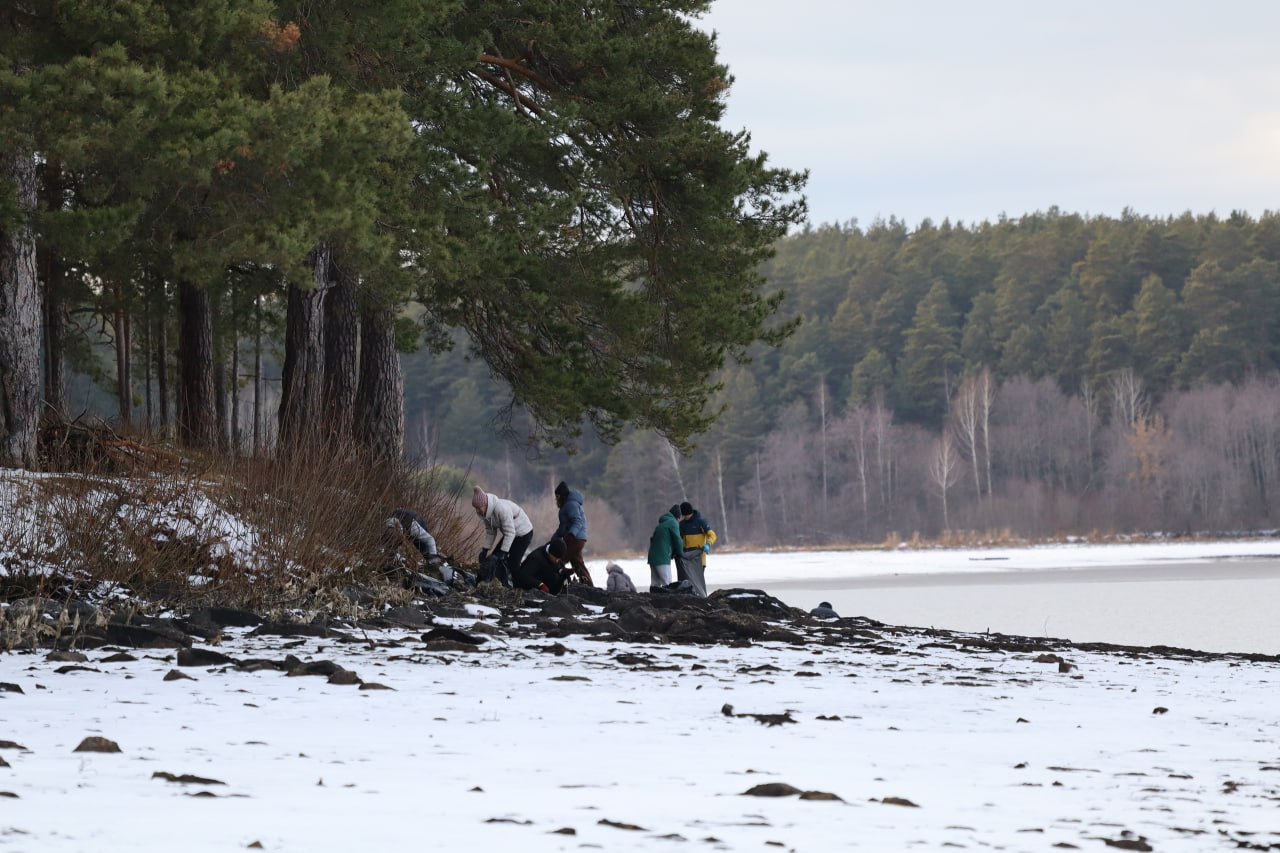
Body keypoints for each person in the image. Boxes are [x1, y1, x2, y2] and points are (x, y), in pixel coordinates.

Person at [472, 485, 533, 588]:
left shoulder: (501, 509)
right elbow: (491, 532)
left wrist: (503, 552)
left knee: (513, 563)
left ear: (485, 504)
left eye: (478, 508)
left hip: (524, 533)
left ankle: (519, 587)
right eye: (476, 508)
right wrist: (485, 550)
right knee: (494, 558)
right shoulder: (485, 514)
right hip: (511, 533)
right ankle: (495, 584)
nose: (477, 511)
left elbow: (510, 532)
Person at [383, 508, 454, 583]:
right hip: (399, 524)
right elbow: (390, 548)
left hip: (414, 520)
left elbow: (430, 540)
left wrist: (433, 559)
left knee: (428, 553)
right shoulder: (385, 531)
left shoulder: (413, 528)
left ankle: (443, 566)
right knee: (391, 552)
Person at [553, 481, 593, 586]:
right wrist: (554, 539)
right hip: (575, 538)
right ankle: (589, 586)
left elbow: (577, 521)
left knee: (560, 560)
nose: (556, 499)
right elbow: (562, 527)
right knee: (578, 564)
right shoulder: (566, 506)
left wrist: (571, 535)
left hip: (576, 538)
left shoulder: (571, 505)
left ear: (562, 496)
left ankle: (557, 584)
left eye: (557, 496)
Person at [676, 500, 716, 598]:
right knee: (687, 584)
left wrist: (708, 544)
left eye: (685, 515)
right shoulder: (682, 524)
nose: (683, 517)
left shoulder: (700, 522)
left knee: (697, 583)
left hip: (699, 559)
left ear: (689, 513)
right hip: (686, 559)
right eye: (682, 515)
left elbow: (712, 535)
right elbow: (679, 540)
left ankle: (701, 599)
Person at [646, 505, 685, 593]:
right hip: (662, 557)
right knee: (667, 583)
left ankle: (653, 598)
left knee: (655, 583)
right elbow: (677, 540)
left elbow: (653, 539)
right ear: (677, 516)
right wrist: (680, 553)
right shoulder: (673, 523)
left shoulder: (662, 524)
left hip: (653, 557)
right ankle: (667, 600)